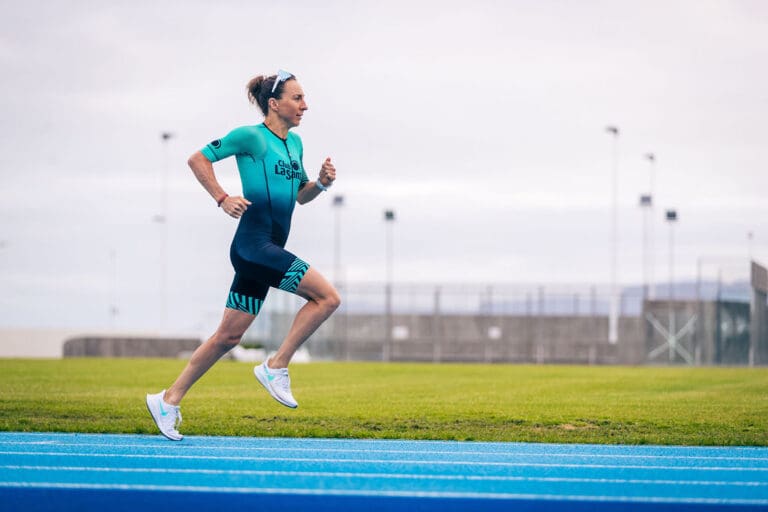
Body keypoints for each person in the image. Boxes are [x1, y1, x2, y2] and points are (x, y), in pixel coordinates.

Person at [146, 70, 340, 441]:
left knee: (227, 337)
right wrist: (222, 197)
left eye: (304, 98)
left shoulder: (294, 144)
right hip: (253, 246)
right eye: (297, 98)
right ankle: (276, 365)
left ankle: (168, 400)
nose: (305, 105)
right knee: (327, 298)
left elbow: (301, 195)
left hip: (267, 249)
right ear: (274, 103)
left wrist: (321, 183)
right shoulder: (250, 136)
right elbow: (197, 159)